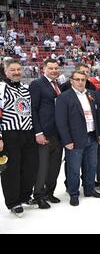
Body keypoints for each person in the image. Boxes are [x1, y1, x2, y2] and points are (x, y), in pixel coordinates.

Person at [55, 70, 100, 207]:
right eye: (78, 79)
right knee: (74, 169)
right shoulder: (64, 97)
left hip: (92, 136)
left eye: (83, 79)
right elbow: (61, 121)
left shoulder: (91, 94)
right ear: (72, 81)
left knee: (91, 166)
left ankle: (89, 189)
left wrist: (99, 133)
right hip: (74, 139)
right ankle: (74, 194)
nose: (81, 82)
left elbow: (96, 115)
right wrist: (67, 140)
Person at [0, 59, 38, 217]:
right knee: (11, 170)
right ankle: (13, 202)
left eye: (18, 69)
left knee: (29, 167)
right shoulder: (1, 87)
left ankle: (25, 196)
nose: (16, 72)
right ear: (6, 71)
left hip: (28, 132)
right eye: (12, 70)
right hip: (10, 133)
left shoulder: (25, 88)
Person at [30, 59, 63, 209]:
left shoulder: (58, 85)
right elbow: (33, 109)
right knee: (42, 167)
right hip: (44, 132)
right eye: (51, 68)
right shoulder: (37, 84)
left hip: (58, 133)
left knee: (54, 167)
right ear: (44, 69)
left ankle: (50, 192)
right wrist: (38, 132)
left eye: (56, 68)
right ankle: (38, 195)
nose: (54, 70)